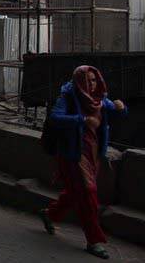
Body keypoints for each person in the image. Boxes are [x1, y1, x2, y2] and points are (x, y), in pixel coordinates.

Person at [39, 66, 127, 260]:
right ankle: (93, 240)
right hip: (72, 154)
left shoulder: (99, 99)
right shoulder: (69, 97)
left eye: (94, 80)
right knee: (88, 192)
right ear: (79, 82)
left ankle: (50, 214)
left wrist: (121, 108)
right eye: (87, 80)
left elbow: (115, 111)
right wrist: (83, 120)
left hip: (92, 153)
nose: (91, 84)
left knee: (75, 192)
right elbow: (55, 117)